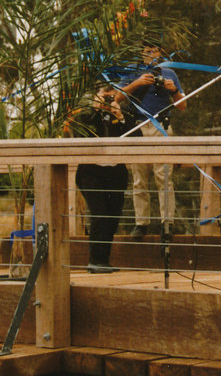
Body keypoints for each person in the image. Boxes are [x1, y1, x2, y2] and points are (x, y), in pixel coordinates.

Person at [116, 38, 186, 238]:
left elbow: (182, 105)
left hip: (161, 127)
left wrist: (172, 90)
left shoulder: (169, 72)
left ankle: (167, 223)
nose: (151, 55)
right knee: (139, 178)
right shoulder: (132, 71)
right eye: (147, 51)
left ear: (160, 53)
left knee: (164, 177)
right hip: (138, 126)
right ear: (141, 53)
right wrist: (137, 83)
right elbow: (118, 98)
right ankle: (141, 223)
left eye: (155, 51)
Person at [69, 85, 133, 273]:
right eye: (104, 95)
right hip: (91, 171)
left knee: (112, 217)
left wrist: (120, 117)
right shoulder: (86, 116)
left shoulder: (122, 115)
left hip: (115, 172)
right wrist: (96, 109)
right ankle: (95, 260)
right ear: (96, 95)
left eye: (111, 95)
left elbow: (136, 137)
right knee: (99, 213)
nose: (107, 98)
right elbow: (77, 131)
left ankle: (103, 260)